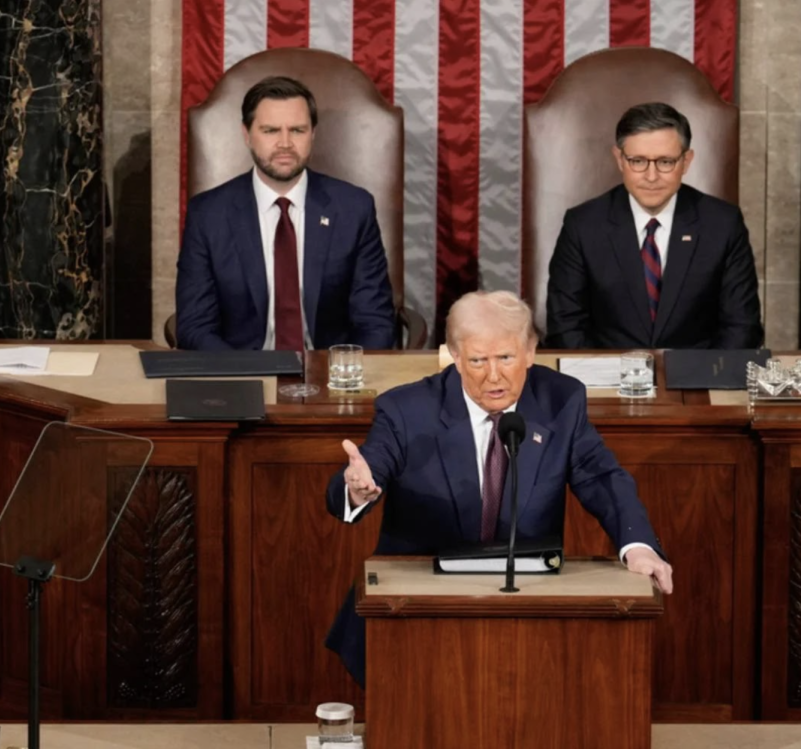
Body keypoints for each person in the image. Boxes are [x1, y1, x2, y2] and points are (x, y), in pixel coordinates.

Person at [324, 290, 673, 685]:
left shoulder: (561, 399)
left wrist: (637, 545)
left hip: (528, 607)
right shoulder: (407, 409)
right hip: (419, 609)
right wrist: (357, 490)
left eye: (506, 358)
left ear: (529, 351)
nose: (494, 376)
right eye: (477, 360)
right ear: (453, 356)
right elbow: (371, 466)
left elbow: (601, 476)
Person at [176, 76, 396, 350]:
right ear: (247, 135)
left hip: (332, 377)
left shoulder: (353, 209)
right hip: (242, 376)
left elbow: (375, 322)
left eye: (297, 130)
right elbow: (195, 326)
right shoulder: (209, 215)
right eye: (270, 130)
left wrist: (344, 377)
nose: (285, 143)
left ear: (313, 134)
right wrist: (243, 377)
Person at [545, 102, 763, 350]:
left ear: (686, 161)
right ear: (619, 159)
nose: (651, 176)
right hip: (606, 380)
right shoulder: (583, 225)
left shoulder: (722, 224)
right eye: (637, 161)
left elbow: (742, 326)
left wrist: (709, 381)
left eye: (665, 162)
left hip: (697, 380)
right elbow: (566, 326)